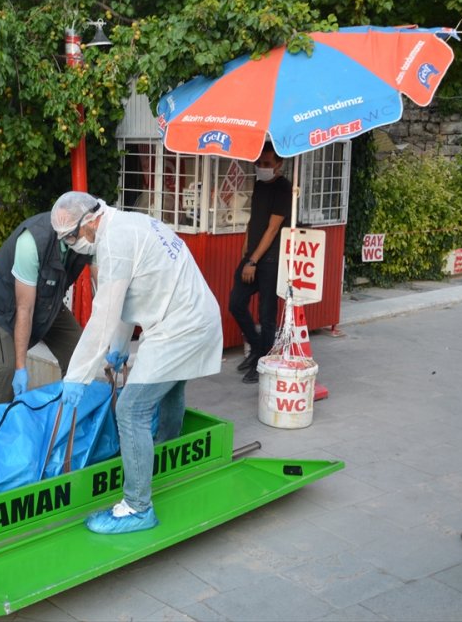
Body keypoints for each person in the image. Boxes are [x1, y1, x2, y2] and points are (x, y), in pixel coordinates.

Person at [52, 191, 222, 534]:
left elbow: (103, 314)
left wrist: (77, 376)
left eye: (70, 238)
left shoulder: (113, 242)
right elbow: (130, 294)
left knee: (130, 410)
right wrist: (119, 347)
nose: (72, 246)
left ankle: (137, 506)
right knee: (170, 390)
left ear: (88, 223)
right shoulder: (129, 224)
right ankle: (166, 457)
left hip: (181, 327)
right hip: (194, 316)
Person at [0, 211, 92, 404]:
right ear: (70, 231)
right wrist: (21, 367)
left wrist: (113, 340)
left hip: (47, 301)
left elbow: (104, 288)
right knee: (8, 370)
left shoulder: (90, 237)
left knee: (78, 355)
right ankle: (1, 426)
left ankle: (68, 418)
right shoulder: (32, 242)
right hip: (5, 306)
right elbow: (25, 308)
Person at [228, 141, 292, 383]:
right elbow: (254, 219)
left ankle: (263, 363)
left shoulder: (283, 188)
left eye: (267, 164)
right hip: (252, 256)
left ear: (279, 165)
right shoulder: (259, 185)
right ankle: (256, 348)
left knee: (267, 314)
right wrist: (246, 246)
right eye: (259, 163)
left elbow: (274, 228)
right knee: (236, 303)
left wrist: (253, 260)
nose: (261, 167)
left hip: (269, 259)